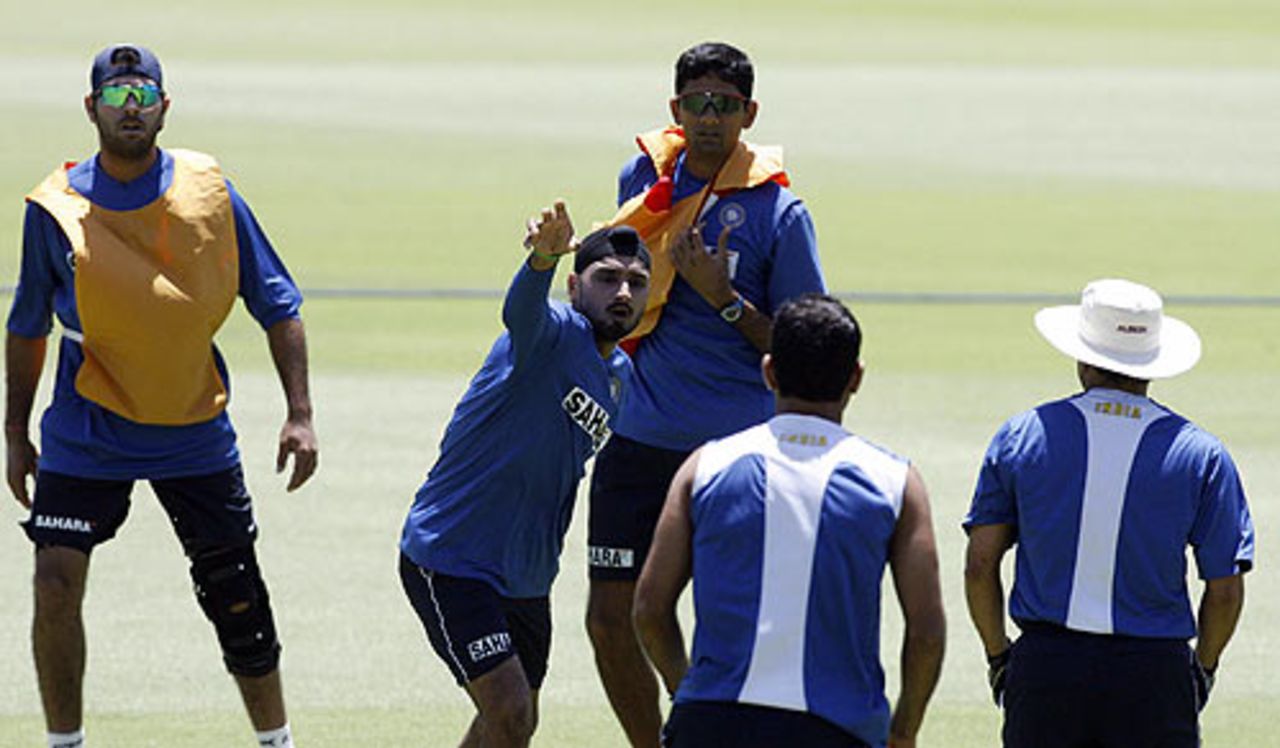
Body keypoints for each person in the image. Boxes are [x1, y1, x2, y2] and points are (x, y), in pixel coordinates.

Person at [5, 44, 318, 748]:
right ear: (92, 110)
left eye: (142, 95)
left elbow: (278, 304)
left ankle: (276, 740)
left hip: (190, 421)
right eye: (116, 98)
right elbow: (27, 327)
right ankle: (65, 742)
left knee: (235, 591)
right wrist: (15, 433)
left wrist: (300, 415)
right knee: (54, 579)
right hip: (88, 429)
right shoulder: (54, 211)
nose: (131, 109)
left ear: (164, 107)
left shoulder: (211, 191)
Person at [587, 40, 826, 746]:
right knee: (611, 618)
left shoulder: (781, 214)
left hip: (737, 456)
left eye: (726, 105)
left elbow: (805, 350)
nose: (711, 116)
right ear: (676, 109)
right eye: (698, 102)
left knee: (733, 622)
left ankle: (706, 726)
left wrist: (724, 301)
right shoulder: (646, 175)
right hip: (640, 439)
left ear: (749, 114)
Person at [633, 294, 945, 748]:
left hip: (712, 722)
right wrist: (904, 730)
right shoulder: (897, 481)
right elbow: (927, 631)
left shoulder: (705, 466)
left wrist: (687, 692)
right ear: (855, 379)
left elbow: (649, 609)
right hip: (837, 730)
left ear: (769, 371)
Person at [398, 203, 651, 748]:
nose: (623, 293)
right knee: (509, 709)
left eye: (636, 282)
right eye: (607, 279)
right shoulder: (553, 331)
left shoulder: (621, 375)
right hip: (453, 557)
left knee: (512, 722)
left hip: (527, 578)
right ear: (575, 285)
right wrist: (540, 259)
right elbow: (520, 311)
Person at [963, 279, 1254, 748]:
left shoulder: (1022, 435)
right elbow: (1224, 592)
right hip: (1155, 676)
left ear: (1082, 357)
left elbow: (980, 564)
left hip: (1046, 669)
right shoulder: (1201, 454)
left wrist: (999, 655)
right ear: (1152, 362)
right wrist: (1203, 668)